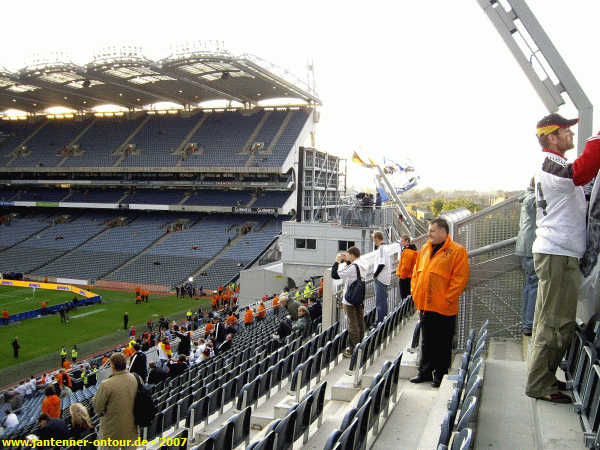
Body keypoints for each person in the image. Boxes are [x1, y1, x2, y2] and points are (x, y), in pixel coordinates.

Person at [526, 113, 600, 403]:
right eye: (567, 131)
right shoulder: (550, 162)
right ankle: (540, 385)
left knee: (554, 320)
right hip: (557, 253)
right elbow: (580, 173)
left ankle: (543, 378)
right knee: (555, 322)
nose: (572, 135)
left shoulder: (555, 164)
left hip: (560, 252)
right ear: (551, 136)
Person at [410, 218, 469, 388]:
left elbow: (460, 278)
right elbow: (416, 274)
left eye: (432, 231)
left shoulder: (457, 251)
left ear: (443, 231)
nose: (429, 234)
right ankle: (425, 372)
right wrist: (415, 293)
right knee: (426, 340)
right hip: (425, 305)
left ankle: (440, 374)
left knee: (442, 342)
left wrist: (446, 298)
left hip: (444, 307)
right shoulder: (425, 249)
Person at [93, 352, 138, 443]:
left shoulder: (106, 384)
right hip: (131, 428)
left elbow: (98, 408)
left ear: (112, 366)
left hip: (112, 432)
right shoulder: (135, 378)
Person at [331, 246, 367, 357]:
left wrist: (337, 261)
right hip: (359, 298)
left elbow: (336, 275)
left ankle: (353, 350)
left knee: (353, 324)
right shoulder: (362, 263)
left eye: (348, 255)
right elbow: (351, 269)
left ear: (352, 255)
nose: (347, 256)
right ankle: (361, 345)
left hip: (351, 299)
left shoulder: (353, 267)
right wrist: (347, 260)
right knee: (360, 322)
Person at [515, 179, 538, 337]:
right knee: (534, 285)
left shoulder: (526, 197)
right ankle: (529, 324)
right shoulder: (533, 199)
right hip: (531, 247)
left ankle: (527, 323)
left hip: (525, 246)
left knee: (529, 286)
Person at [372, 231, 393, 324]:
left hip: (380, 278)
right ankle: (384, 319)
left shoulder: (381, 249)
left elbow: (381, 263)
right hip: (385, 278)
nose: (373, 241)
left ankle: (380, 321)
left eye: (373, 239)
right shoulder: (386, 248)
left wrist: (375, 275)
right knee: (383, 300)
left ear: (377, 238)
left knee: (380, 301)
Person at [396, 235, 418, 299]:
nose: (401, 243)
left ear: (407, 241)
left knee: (404, 297)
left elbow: (406, 266)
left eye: (402, 241)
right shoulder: (413, 251)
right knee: (408, 297)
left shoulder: (407, 252)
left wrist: (402, 277)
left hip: (405, 278)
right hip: (410, 276)